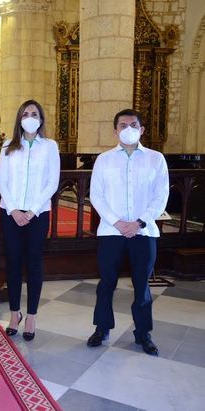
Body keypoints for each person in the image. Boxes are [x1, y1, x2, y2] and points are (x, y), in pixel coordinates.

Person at [87, 109, 169, 356]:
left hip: (144, 232)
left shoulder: (155, 159)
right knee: (106, 283)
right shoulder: (104, 160)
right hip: (111, 231)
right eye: (123, 125)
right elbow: (96, 196)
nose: (128, 128)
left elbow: (161, 195)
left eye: (133, 124)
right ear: (115, 131)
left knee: (142, 285)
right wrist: (118, 222)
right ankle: (102, 328)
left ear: (142, 129)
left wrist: (140, 223)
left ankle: (143, 333)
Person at [0, 100, 60, 341]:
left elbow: (52, 183)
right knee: (13, 263)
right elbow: (2, 180)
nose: (30, 117)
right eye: (25, 113)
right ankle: (15, 314)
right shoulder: (8, 146)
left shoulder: (49, 147)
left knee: (34, 264)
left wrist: (32, 211)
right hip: (10, 213)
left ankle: (31, 315)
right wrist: (13, 210)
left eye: (34, 113)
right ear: (19, 119)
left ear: (41, 118)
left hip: (38, 214)